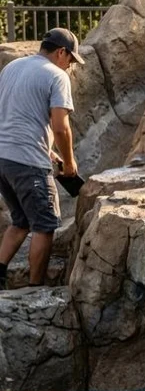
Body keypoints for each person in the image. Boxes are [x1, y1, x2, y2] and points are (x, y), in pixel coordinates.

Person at [0, 28, 83, 290]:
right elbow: (61, 127)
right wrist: (69, 164)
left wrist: (48, 151)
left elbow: (13, 115)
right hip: (27, 162)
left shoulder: (13, 67)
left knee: (21, 221)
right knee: (45, 224)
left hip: (3, 157)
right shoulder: (56, 76)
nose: (70, 66)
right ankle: (36, 289)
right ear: (61, 52)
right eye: (71, 60)